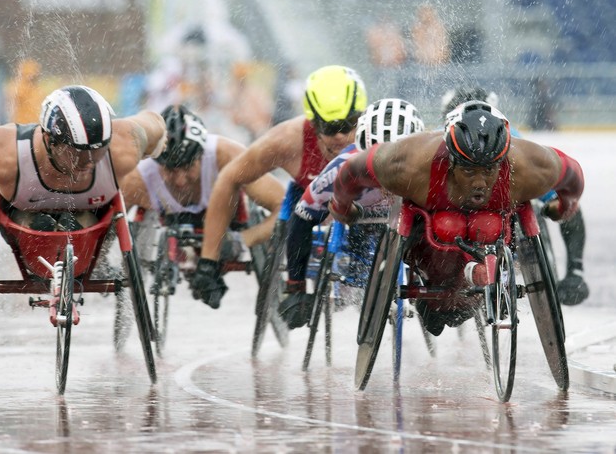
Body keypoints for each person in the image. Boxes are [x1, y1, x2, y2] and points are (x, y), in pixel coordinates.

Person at [329, 100, 584, 335]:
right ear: (451, 160)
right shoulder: (408, 164)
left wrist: (564, 208)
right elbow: (351, 171)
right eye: (469, 170)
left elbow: (574, 178)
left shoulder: (533, 166)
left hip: (491, 227)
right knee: (448, 227)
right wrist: (342, 208)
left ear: (503, 162)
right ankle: (439, 292)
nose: (479, 182)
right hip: (432, 236)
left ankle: (474, 287)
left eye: (488, 170)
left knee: (485, 225)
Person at [189, 65, 368, 309]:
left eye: (348, 125)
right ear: (313, 123)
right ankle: (257, 252)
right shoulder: (286, 140)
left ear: (362, 118)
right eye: (329, 127)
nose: (339, 136)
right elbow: (230, 178)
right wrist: (208, 261)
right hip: (307, 203)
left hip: (363, 206)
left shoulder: (378, 135)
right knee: (292, 213)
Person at [278, 98, 425, 329]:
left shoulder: (428, 164)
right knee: (345, 230)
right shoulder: (341, 167)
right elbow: (302, 217)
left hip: (404, 218)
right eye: (377, 165)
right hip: (356, 217)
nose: (387, 176)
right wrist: (295, 286)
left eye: (398, 164)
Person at [0, 84, 166, 228]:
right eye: (76, 153)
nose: (88, 163)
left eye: (98, 151)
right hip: (23, 221)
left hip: (92, 221)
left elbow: (155, 123)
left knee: (87, 222)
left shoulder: (124, 146)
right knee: (39, 228)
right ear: (48, 140)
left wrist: (156, 150)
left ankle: (82, 233)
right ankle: (36, 224)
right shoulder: (3, 154)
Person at [441, 87, 589, 306]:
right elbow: (567, 205)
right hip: (488, 219)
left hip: (455, 226)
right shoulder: (515, 140)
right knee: (554, 203)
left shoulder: (438, 137)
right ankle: (575, 270)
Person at [120, 104, 285, 267]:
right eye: (171, 170)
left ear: (202, 155)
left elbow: (284, 206)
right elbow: (106, 223)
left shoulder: (228, 155)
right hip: (166, 216)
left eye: (187, 167)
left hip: (226, 214)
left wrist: (243, 240)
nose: (180, 180)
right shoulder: (137, 177)